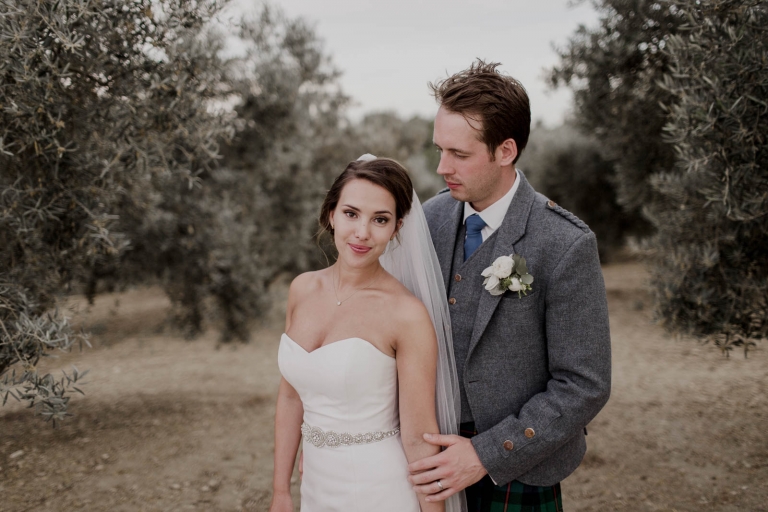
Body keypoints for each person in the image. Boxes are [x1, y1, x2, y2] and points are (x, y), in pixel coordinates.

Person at [408, 60, 612, 511]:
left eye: (459, 154)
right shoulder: (430, 219)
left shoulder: (564, 243)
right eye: (439, 149)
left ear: (505, 151)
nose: (442, 167)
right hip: (428, 456)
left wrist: (485, 454)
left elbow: (584, 384)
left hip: (520, 468)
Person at [270, 156, 465, 512]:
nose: (362, 232)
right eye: (351, 213)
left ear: (396, 228)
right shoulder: (302, 289)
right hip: (315, 486)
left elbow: (419, 435)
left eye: (380, 220)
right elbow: (290, 398)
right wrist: (281, 491)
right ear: (331, 213)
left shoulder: (406, 314)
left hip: (380, 489)